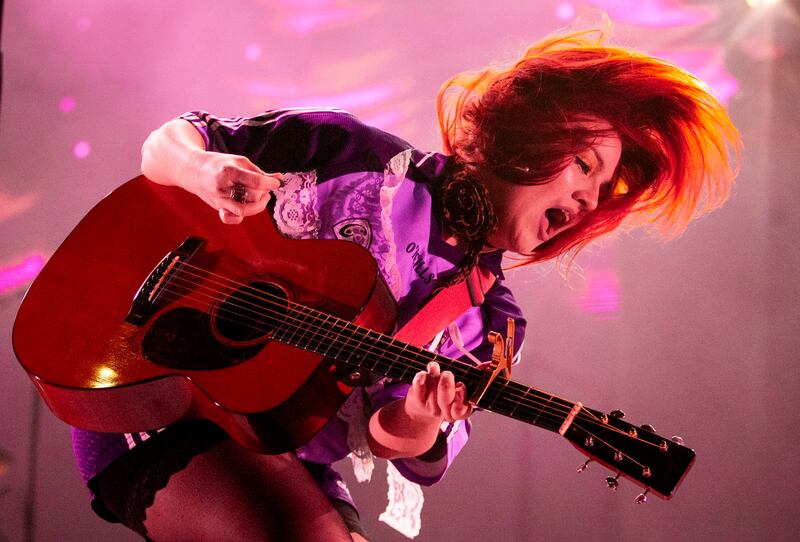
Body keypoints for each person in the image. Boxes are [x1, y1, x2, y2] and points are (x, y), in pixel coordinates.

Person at [70, 28, 739, 541]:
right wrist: (210, 173)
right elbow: (166, 147)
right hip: (157, 393)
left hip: (286, 455)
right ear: (533, 131)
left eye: (604, 193)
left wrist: (419, 416)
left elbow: (393, 436)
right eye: (585, 165)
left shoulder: (491, 322)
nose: (589, 199)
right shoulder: (352, 153)